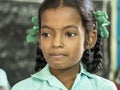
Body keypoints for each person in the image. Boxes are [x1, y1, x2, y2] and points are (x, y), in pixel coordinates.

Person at [12, 0, 117, 90]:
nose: (56, 43)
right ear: (39, 38)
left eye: (69, 34)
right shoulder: (23, 88)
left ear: (90, 39)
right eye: (46, 34)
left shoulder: (104, 88)